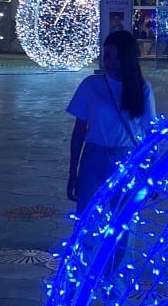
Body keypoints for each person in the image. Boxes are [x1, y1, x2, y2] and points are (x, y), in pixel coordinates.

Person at [66, 30, 156, 215]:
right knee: (86, 221)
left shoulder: (141, 88)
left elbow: (150, 133)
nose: (109, 62)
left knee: (122, 225)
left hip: (127, 158)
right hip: (94, 157)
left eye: (116, 57)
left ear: (127, 58)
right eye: (107, 55)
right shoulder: (91, 85)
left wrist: (151, 173)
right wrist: (72, 172)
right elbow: (79, 131)